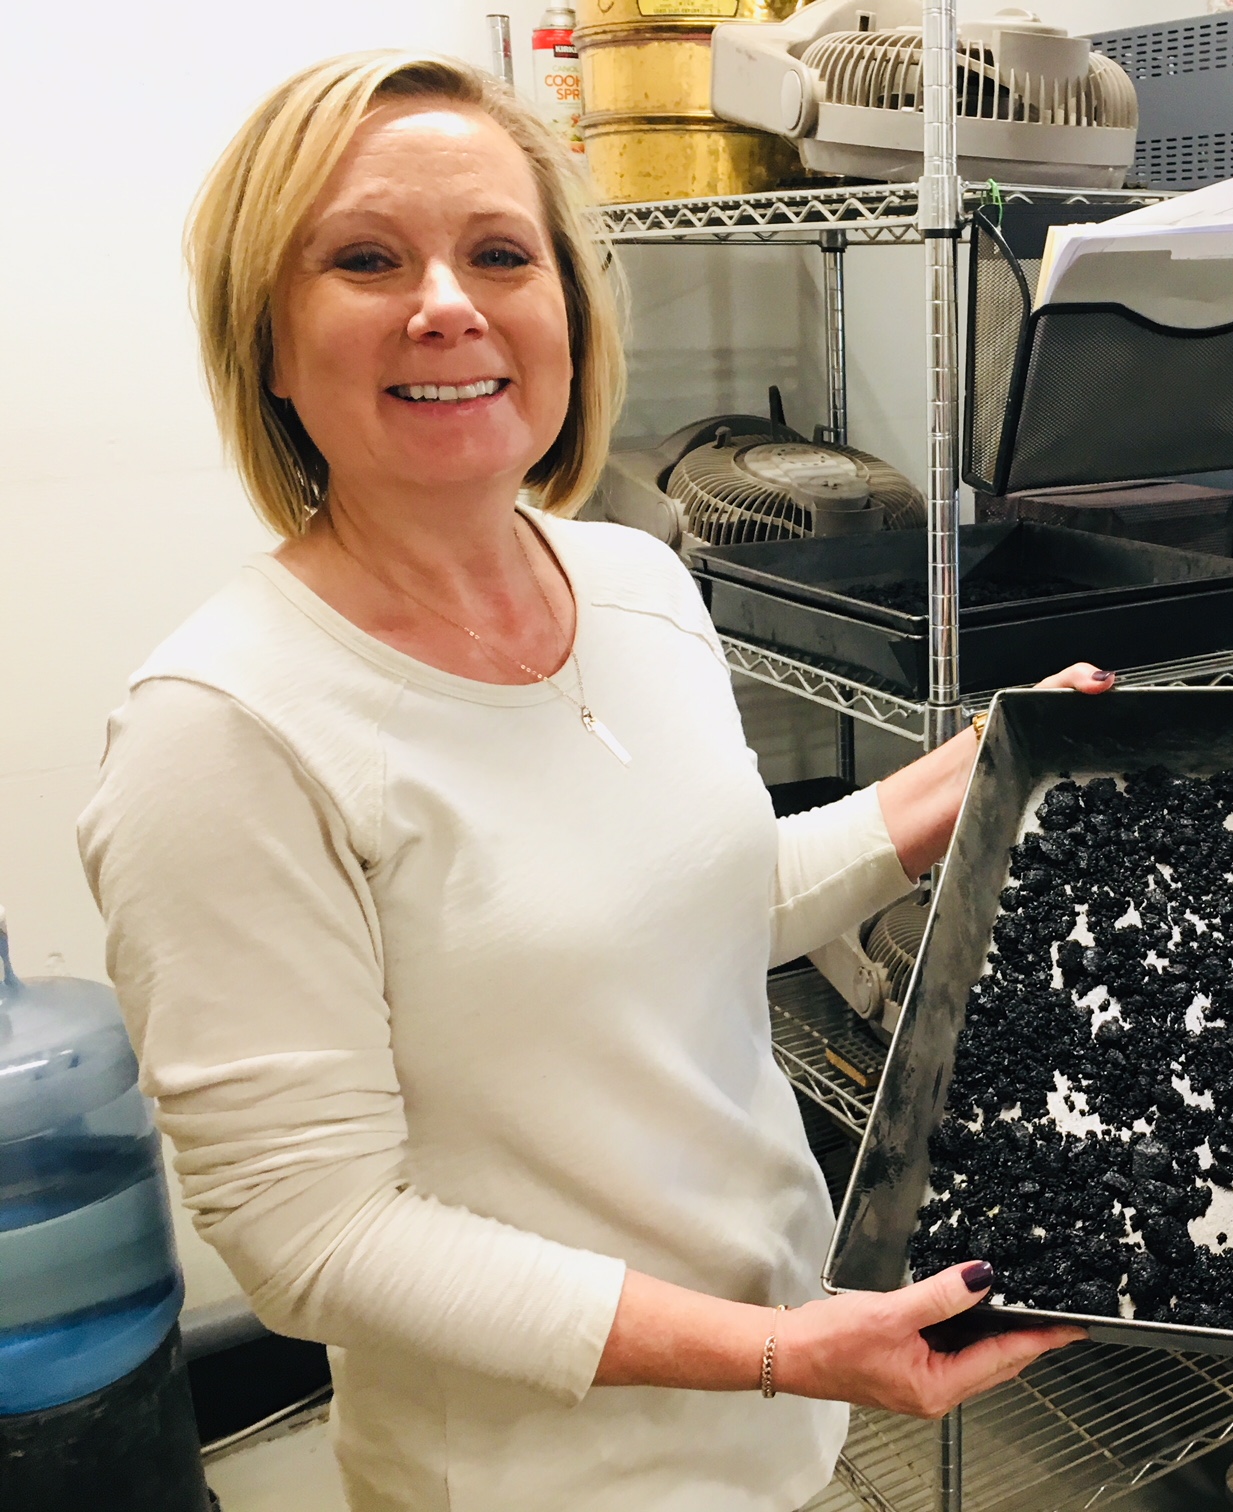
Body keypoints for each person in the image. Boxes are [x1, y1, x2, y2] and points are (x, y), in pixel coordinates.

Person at [77, 50, 1102, 1512]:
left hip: (777, 1397)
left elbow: (704, 899)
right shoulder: (224, 727)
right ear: (268, 342)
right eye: (366, 259)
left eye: (502, 252)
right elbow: (316, 1239)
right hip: (536, 1470)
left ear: (566, 308)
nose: (448, 302)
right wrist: (776, 1351)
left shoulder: (632, 578)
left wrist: (981, 783)